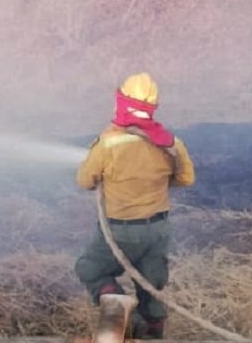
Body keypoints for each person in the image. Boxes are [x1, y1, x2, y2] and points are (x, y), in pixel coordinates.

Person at [75, 72, 195, 340]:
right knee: (151, 285)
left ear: (122, 102)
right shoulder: (172, 144)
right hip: (158, 230)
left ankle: (114, 303)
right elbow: (186, 179)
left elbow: (85, 180)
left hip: (121, 231)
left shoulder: (107, 144)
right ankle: (152, 332)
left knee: (90, 267)